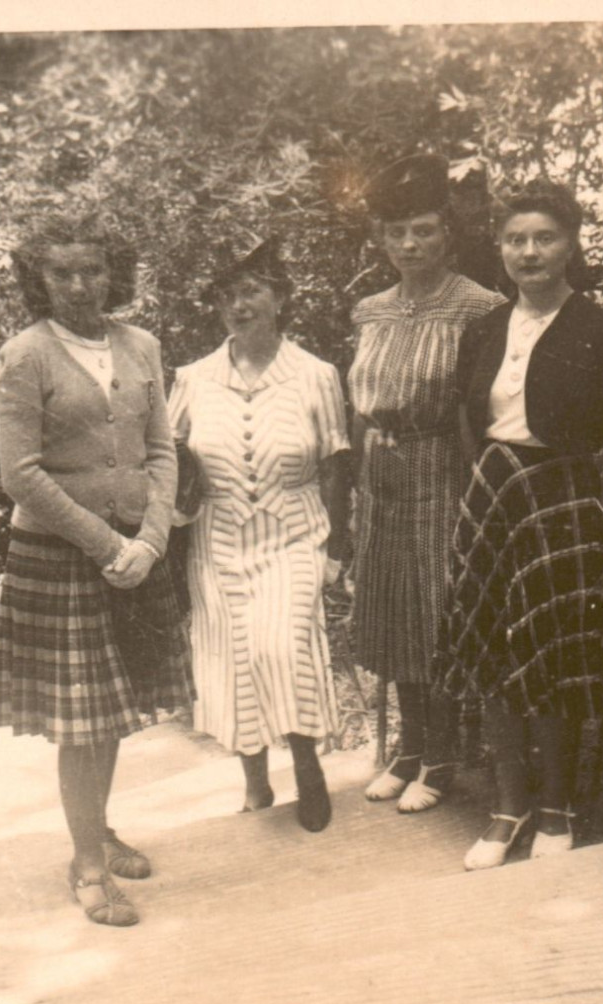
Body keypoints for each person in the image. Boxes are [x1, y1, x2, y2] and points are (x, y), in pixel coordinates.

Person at [434, 180, 603, 869]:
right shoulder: (482, 328)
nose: (528, 252)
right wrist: (490, 487)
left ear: (570, 244)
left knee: (553, 655)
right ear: (499, 249)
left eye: (543, 237)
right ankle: (509, 805)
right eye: (514, 239)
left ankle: (556, 805)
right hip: (494, 498)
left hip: (564, 503)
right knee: (497, 653)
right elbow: (469, 422)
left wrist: (592, 513)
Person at [0, 210, 193, 925]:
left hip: (138, 549)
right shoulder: (25, 355)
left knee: (110, 711)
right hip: (63, 556)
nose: (79, 284)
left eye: (92, 269)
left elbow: (162, 450)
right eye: (61, 272)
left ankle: (97, 830)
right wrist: (107, 546)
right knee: (82, 720)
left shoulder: (141, 344)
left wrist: (152, 537)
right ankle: (85, 863)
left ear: (114, 272)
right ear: (37, 279)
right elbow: (21, 475)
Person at [169, 238, 349, 832]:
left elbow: (338, 463)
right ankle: (253, 781)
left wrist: (337, 550)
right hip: (217, 539)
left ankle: (307, 768)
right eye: (227, 295)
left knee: (284, 644)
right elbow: (165, 460)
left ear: (281, 297)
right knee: (231, 655)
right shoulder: (193, 378)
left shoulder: (316, 375)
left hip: (293, 532)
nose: (238, 305)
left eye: (250, 290)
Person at [348, 154, 505, 812]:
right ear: (381, 241)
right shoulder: (369, 311)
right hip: (380, 471)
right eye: (395, 232)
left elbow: (486, 406)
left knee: (436, 610)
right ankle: (408, 748)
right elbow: (359, 400)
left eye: (422, 229)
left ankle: (441, 757)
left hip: (443, 465)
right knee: (390, 608)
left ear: (448, 233)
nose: (408, 244)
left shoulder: (480, 307)